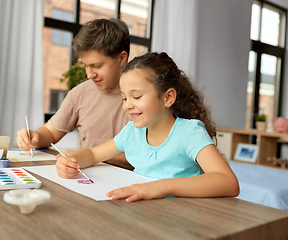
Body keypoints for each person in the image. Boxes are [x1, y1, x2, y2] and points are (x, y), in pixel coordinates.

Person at [55, 52, 240, 202]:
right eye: (124, 98)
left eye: (136, 97)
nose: (127, 105)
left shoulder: (189, 132)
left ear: (168, 98)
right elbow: (94, 154)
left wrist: (162, 186)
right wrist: (72, 160)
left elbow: (228, 182)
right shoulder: (132, 132)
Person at [16, 18, 133, 170]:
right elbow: (51, 132)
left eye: (96, 66)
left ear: (121, 58)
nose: (89, 74)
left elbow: (149, 154)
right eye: (85, 66)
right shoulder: (80, 93)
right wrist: (34, 137)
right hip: (86, 180)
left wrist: (90, 154)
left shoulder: (143, 95)